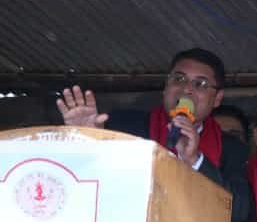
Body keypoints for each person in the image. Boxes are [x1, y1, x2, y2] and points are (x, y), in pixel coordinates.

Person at [55, 47, 247, 188]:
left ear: (217, 98)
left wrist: (194, 160)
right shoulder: (122, 125)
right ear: (166, 87)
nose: (186, 89)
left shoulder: (232, 149)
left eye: (200, 84)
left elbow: (238, 211)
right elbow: (83, 180)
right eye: (179, 79)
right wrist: (87, 140)